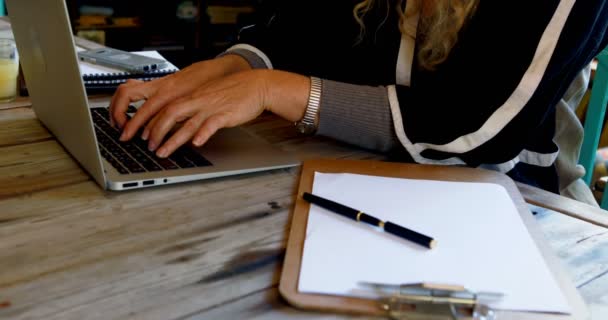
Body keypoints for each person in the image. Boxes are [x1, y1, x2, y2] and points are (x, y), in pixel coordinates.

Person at [109, 0, 608, 201]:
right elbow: (294, 34)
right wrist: (217, 73)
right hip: (355, 172)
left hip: (512, 202)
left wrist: (268, 89)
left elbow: (472, 128)